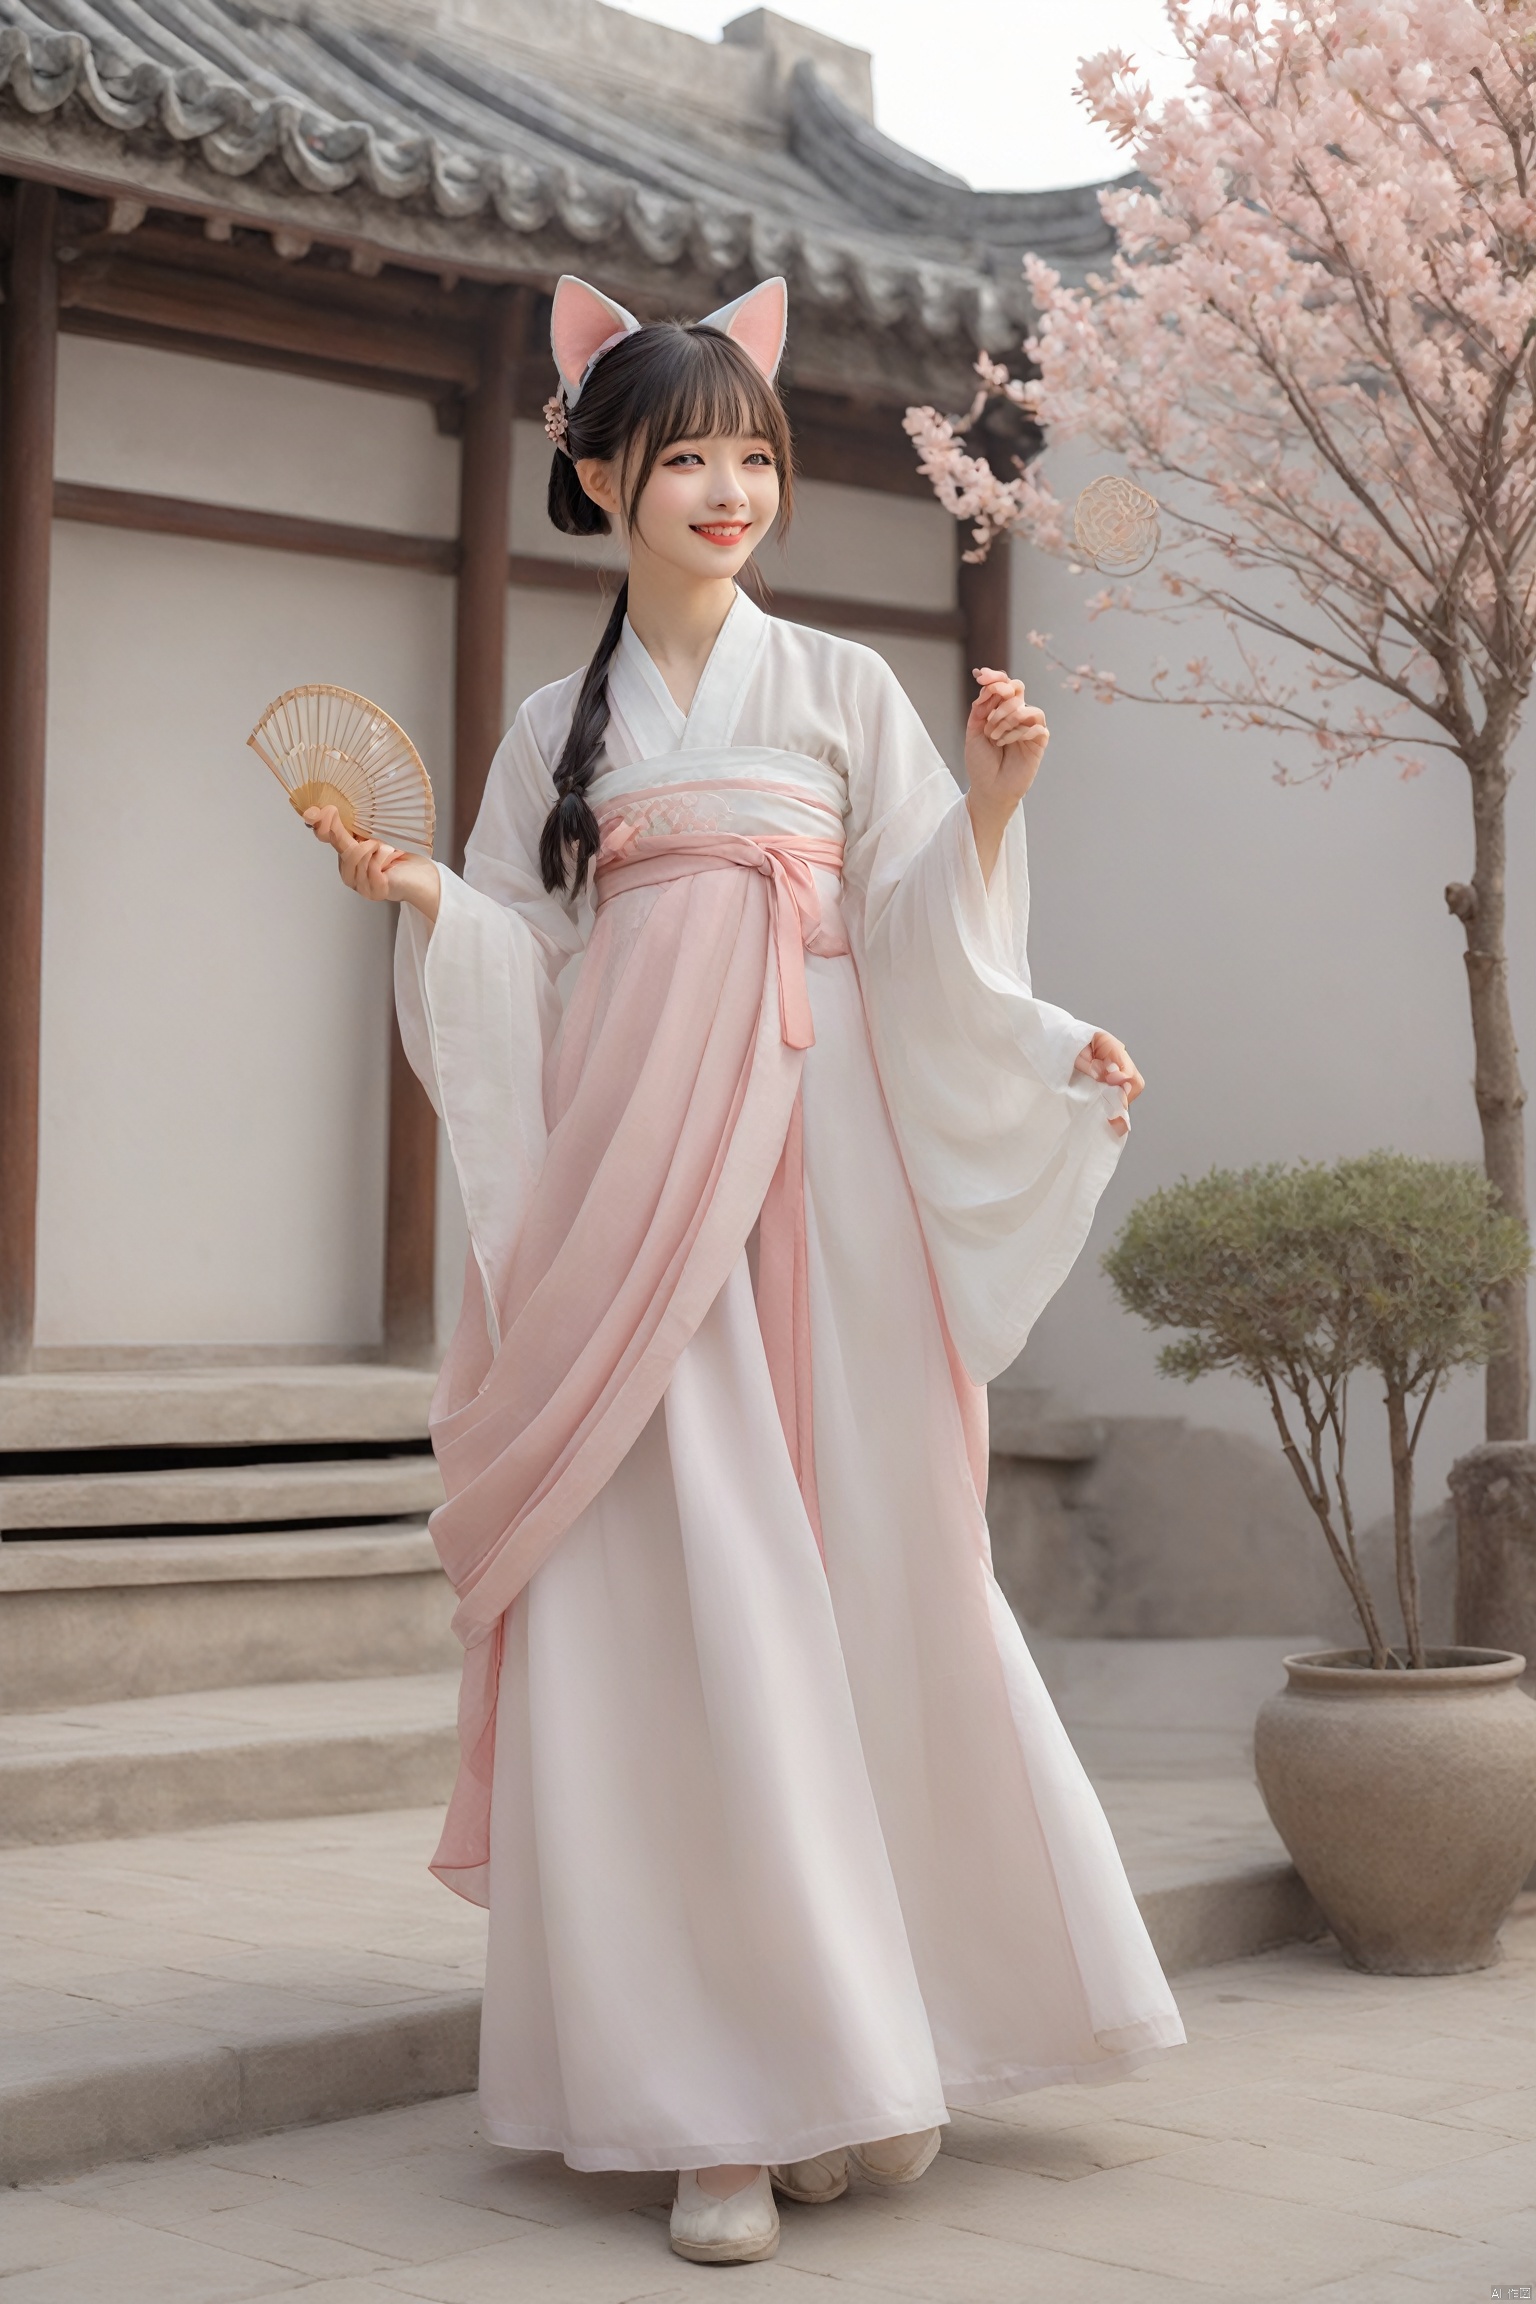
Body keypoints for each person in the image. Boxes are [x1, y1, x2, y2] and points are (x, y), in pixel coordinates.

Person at [305, 273, 1184, 2268]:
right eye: (684, 452)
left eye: (753, 454)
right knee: (666, 1605)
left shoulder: (848, 693)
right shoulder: (559, 725)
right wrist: (428, 891)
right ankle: (712, 2098)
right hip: (632, 1194)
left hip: (824, 1180)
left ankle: (892, 2034)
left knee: (868, 1568)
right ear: (597, 471)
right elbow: (524, 964)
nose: (726, 487)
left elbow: (913, 941)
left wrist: (1017, 900)